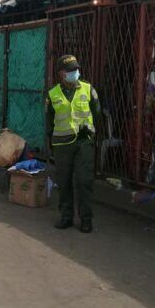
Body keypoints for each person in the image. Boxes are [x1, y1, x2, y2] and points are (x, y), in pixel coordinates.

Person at [46, 54, 101, 233]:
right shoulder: (52, 94)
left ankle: (86, 219)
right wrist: (50, 144)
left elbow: (97, 114)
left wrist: (92, 133)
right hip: (62, 144)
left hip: (84, 142)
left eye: (76, 70)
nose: (75, 73)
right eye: (70, 70)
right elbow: (49, 121)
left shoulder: (88, 89)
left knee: (84, 181)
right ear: (61, 73)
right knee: (64, 182)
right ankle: (66, 216)